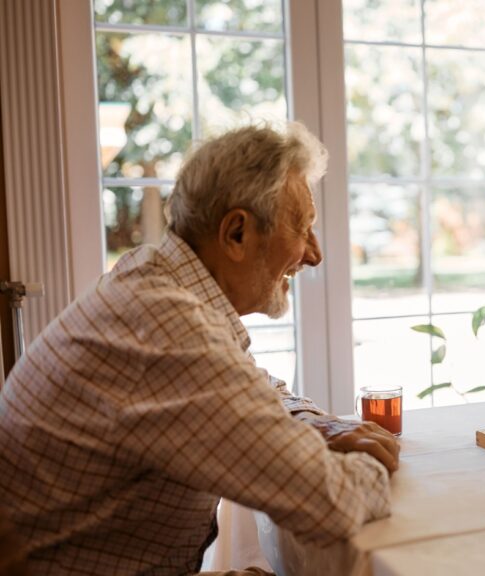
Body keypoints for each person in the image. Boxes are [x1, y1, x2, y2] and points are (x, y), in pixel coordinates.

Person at [0, 123, 400, 575]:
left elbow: (245, 382)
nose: (314, 254)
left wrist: (315, 424)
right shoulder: (168, 328)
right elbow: (332, 500)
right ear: (236, 233)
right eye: (303, 227)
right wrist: (374, 462)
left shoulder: (153, 277)